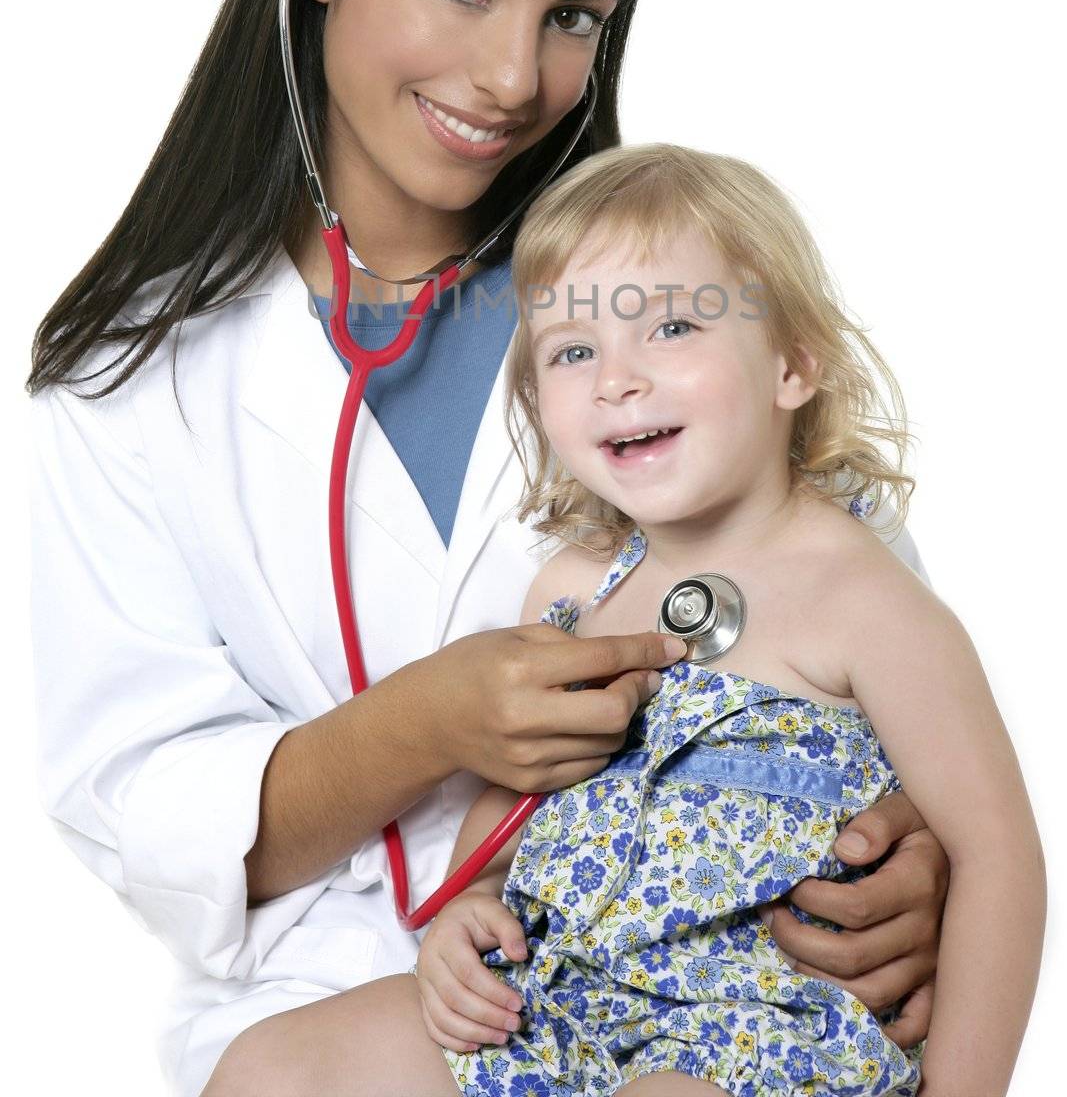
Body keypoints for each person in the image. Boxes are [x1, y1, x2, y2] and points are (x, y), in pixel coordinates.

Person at [26, 0, 947, 1097]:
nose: (515, 78)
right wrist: (424, 727)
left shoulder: (675, 293)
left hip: (710, 994)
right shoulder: (133, 377)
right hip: (331, 1017)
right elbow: (140, 810)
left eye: (570, 17)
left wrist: (906, 851)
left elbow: (863, 630)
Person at [212, 145, 1044, 1097]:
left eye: (673, 327)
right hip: (560, 995)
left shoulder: (866, 601)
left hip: (753, 1027)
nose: (615, 379)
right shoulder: (572, 590)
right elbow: (522, 788)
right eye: (573, 351)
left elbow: (996, 855)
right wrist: (467, 912)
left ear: (792, 364)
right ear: (536, 399)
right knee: (274, 1067)